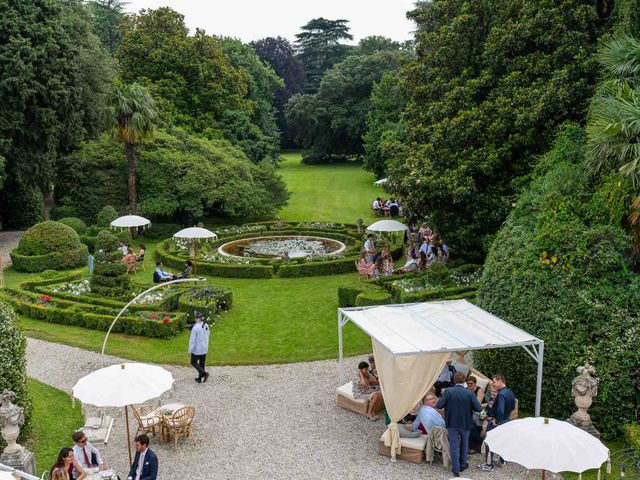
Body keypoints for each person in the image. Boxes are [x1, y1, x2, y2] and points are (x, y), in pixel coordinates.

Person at [436, 372, 483, 477]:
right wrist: (486, 416)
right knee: (464, 444)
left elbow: (438, 405)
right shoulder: (470, 393)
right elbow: (479, 409)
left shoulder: (448, 392)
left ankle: (455, 469)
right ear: (464, 381)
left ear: (454, 380)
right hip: (465, 423)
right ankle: (462, 464)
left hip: (451, 423)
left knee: (454, 446)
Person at [478, 374, 516, 471]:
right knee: (503, 441)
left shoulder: (501, 394)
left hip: (497, 422)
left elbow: (500, 410)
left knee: (489, 442)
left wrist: (497, 421)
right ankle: (503, 460)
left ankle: (488, 464)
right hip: (507, 420)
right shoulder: (510, 392)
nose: (493, 384)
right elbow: (512, 407)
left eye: (494, 381)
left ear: (500, 381)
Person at [188, 313, 210, 383]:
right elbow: (208, 334)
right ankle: (199, 379)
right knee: (202, 363)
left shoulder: (195, 328)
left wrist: (190, 350)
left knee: (193, 362)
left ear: (196, 319)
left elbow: (192, 340)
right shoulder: (206, 325)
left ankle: (204, 374)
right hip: (204, 348)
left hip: (197, 349)